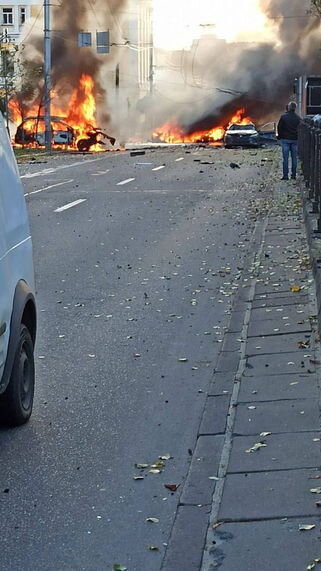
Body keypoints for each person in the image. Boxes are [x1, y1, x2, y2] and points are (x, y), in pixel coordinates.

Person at [277, 101, 301, 180]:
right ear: (295, 108)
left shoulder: (283, 117)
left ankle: (285, 176)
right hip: (294, 140)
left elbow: (279, 127)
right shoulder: (298, 118)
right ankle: (293, 175)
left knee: (285, 158)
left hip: (285, 140)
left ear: (289, 107)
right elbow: (300, 129)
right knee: (294, 158)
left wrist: (280, 137)